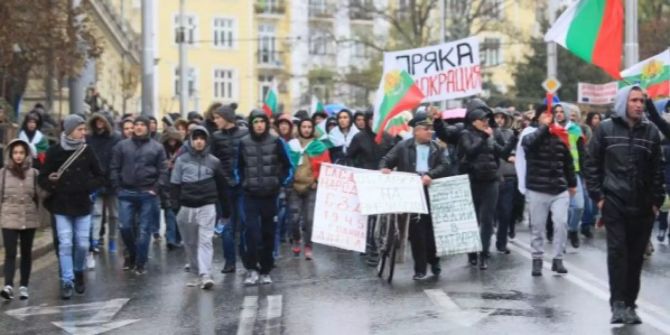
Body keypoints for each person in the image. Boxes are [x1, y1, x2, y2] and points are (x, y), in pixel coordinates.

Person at [584, 85, 665, 325]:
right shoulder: (606, 129)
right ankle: (618, 304)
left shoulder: (650, 132)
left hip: (643, 206)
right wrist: (599, 197)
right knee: (618, 253)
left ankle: (630, 304)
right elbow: (591, 164)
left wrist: (656, 201)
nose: (639, 105)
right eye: (634, 101)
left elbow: (657, 170)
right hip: (614, 202)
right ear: (623, 103)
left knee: (636, 257)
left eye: (642, 101)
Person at [39, 115, 104, 299]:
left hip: (82, 204)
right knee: (65, 243)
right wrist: (52, 182)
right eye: (80, 129)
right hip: (61, 204)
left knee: (83, 243)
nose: (84, 133)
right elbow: (42, 178)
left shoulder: (87, 151)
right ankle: (67, 280)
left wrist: (87, 186)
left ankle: (78, 271)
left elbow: (100, 176)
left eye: (84, 129)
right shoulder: (54, 152)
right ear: (69, 131)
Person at [379, 113, 449, 280]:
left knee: (432, 232)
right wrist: (385, 168)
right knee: (416, 233)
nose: (430, 132)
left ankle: (434, 260)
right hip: (411, 194)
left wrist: (431, 175)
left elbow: (446, 165)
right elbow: (386, 159)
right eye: (427, 129)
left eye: (431, 129)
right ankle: (420, 268)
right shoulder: (403, 146)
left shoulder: (437, 147)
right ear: (416, 131)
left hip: (431, 192)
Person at [236, 110, 293, 285]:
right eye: (256, 122)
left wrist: (280, 182)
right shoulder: (243, 143)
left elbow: (288, 166)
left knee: (268, 233)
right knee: (252, 233)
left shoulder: (276, 142)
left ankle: (266, 270)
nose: (259, 125)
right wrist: (243, 183)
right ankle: (252, 269)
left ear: (267, 124)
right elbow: (238, 167)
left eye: (262, 121)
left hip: (270, 195)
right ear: (251, 124)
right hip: (250, 196)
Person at [457, 99, 515, 270]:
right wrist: (484, 136)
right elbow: (470, 151)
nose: (487, 122)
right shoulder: (465, 134)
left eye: (487, 120)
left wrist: (514, 139)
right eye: (483, 120)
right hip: (472, 181)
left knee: (487, 219)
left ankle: (483, 253)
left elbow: (502, 152)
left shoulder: (491, 135)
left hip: (491, 181)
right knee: (473, 219)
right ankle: (472, 252)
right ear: (474, 121)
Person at [522, 104, 576, 277]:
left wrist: (572, 183)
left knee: (561, 223)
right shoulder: (530, 135)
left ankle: (558, 259)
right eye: (545, 114)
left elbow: (568, 162)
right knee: (537, 227)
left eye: (550, 114)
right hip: (537, 188)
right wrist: (544, 128)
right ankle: (537, 259)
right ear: (538, 117)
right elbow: (528, 145)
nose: (549, 116)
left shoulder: (561, 135)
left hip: (559, 188)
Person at [170, 126, 227, 289]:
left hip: (207, 205)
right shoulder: (182, 160)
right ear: (191, 140)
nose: (199, 141)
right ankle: (196, 271)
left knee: (205, 240)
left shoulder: (214, 162)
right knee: (190, 242)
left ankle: (205, 274)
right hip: (186, 207)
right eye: (196, 138)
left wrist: (226, 209)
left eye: (202, 138)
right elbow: (174, 184)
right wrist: (175, 207)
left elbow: (222, 186)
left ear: (207, 140)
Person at [110, 116, 167, 275]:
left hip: (147, 193)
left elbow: (163, 170)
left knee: (144, 230)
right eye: (137, 125)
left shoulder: (157, 147)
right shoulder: (121, 146)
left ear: (149, 127)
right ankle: (133, 254)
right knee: (125, 227)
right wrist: (117, 188)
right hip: (126, 192)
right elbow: (114, 168)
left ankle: (140, 263)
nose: (139, 127)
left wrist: (155, 189)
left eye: (143, 124)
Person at [346, 111, 395, 265]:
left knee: (383, 215)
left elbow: (394, 156)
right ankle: (371, 248)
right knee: (370, 216)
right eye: (371, 119)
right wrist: (357, 169)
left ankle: (383, 244)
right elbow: (349, 155)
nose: (374, 122)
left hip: (384, 180)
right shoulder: (359, 137)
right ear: (367, 121)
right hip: (366, 180)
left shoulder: (387, 137)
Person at [286, 118, 331, 260]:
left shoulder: (319, 147)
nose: (306, 129)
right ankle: (296, 238)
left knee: (309, 219)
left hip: (312, 187)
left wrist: (317, 180)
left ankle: (308, 245)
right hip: (294, 186)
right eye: (303, 126)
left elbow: (326, 166)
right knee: (294, 218)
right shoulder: (291, 145)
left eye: (309, 127)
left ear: (312, 129)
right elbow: (285, 163)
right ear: (299, 128)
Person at [0, 140, 39, 300]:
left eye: (21, 153)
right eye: (15, 152)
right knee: (10, 253)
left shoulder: (34, 174)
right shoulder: (2, 173)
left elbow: (40, 196)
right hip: (9, 218)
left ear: (26, 154)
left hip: (29, 218)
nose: (18, 156)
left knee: (26, 253)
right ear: (10, 154)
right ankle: (8, 285)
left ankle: (24, 285)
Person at [211, 106, 249, 273]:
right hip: (224, 187)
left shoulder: (244, 134)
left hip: (242, 185)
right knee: (226, 226)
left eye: (218, 117)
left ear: (227, 118)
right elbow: (212, 161)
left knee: (245, 222)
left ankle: (246, 256)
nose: (215, 121)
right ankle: (229, 262)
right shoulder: (215, 137)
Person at [86, 113, 122, 261]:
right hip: (96, 181)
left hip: (112, 181)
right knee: (96, 213)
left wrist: (115, 178)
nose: (99, 123)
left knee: (114, 214)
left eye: (102, 120)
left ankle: (112, 239)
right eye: (97, 120)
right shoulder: (89, 139)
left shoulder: (116, 138)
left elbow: (117, 160)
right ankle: (94, 241)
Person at [553, 104, 587, 247]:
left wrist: (585, 174)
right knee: (562, 210)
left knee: (579, 206)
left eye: (562, 111)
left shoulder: (575, 129)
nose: (559, 114)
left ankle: (573, 229)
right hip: (558, 172)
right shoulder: (551, 129)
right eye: (557, 112)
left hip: (574, 172)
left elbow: (581, 152)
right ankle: (560, 239)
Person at [492, 107, 517, 254]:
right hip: (493, 179)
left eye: (502, 117)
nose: (499, 120)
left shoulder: (511, 134)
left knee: (506, 213)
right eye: (496, 117)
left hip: (509, 177)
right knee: (489, 214)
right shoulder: (489, 134)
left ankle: (502, 243)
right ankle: (483, 245)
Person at [160, 127, 184, 250]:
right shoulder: (161, 151)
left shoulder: (182, 151)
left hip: (179, 185)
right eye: (170, 139)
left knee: (178, 212)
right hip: (166, 184)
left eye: (174, 139)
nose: (172, 142)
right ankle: (171, 239)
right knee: (169, 211)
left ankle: (178, 237)